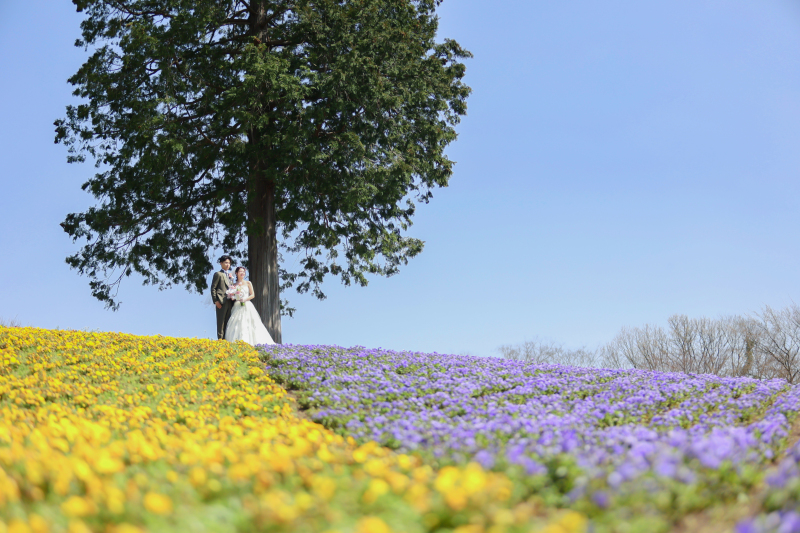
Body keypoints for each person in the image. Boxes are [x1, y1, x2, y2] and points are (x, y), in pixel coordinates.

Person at [224, 267, 276, 346]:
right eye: (240, 271)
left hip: (247, 305)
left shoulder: (248, 283)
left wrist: (245, 299)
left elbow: (252, 295)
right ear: (236, 273)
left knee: (250, 322)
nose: (242, 273)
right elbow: (232, 296)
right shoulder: (233, 285)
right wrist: (233, 296)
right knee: (237, 323)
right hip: (237, 305)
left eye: (244, 272)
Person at [210, 255, 235, 340]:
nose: (228, 264)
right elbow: (213, 288)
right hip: (221, 301)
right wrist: (216, 301)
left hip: (230, 302)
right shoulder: (218, 274)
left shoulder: (230, 276)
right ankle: (220, 340)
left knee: (228, 322)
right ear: (221, 263)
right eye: (226, 263)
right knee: (221, 322)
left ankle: (226, 340)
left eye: (229, 263)